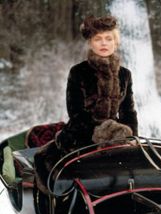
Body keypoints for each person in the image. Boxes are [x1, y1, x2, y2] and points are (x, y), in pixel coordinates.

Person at [34, 15, 138, 193]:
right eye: (98, 39)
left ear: (116, 42)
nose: (104, 43)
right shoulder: (78, 72)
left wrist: (130, 136)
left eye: (108, 38)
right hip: (81, 134)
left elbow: (128, 111)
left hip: (116, 136)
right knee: (44, 160)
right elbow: (75, 112)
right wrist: (103, 133)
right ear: (91, 43)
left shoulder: (124, 74)